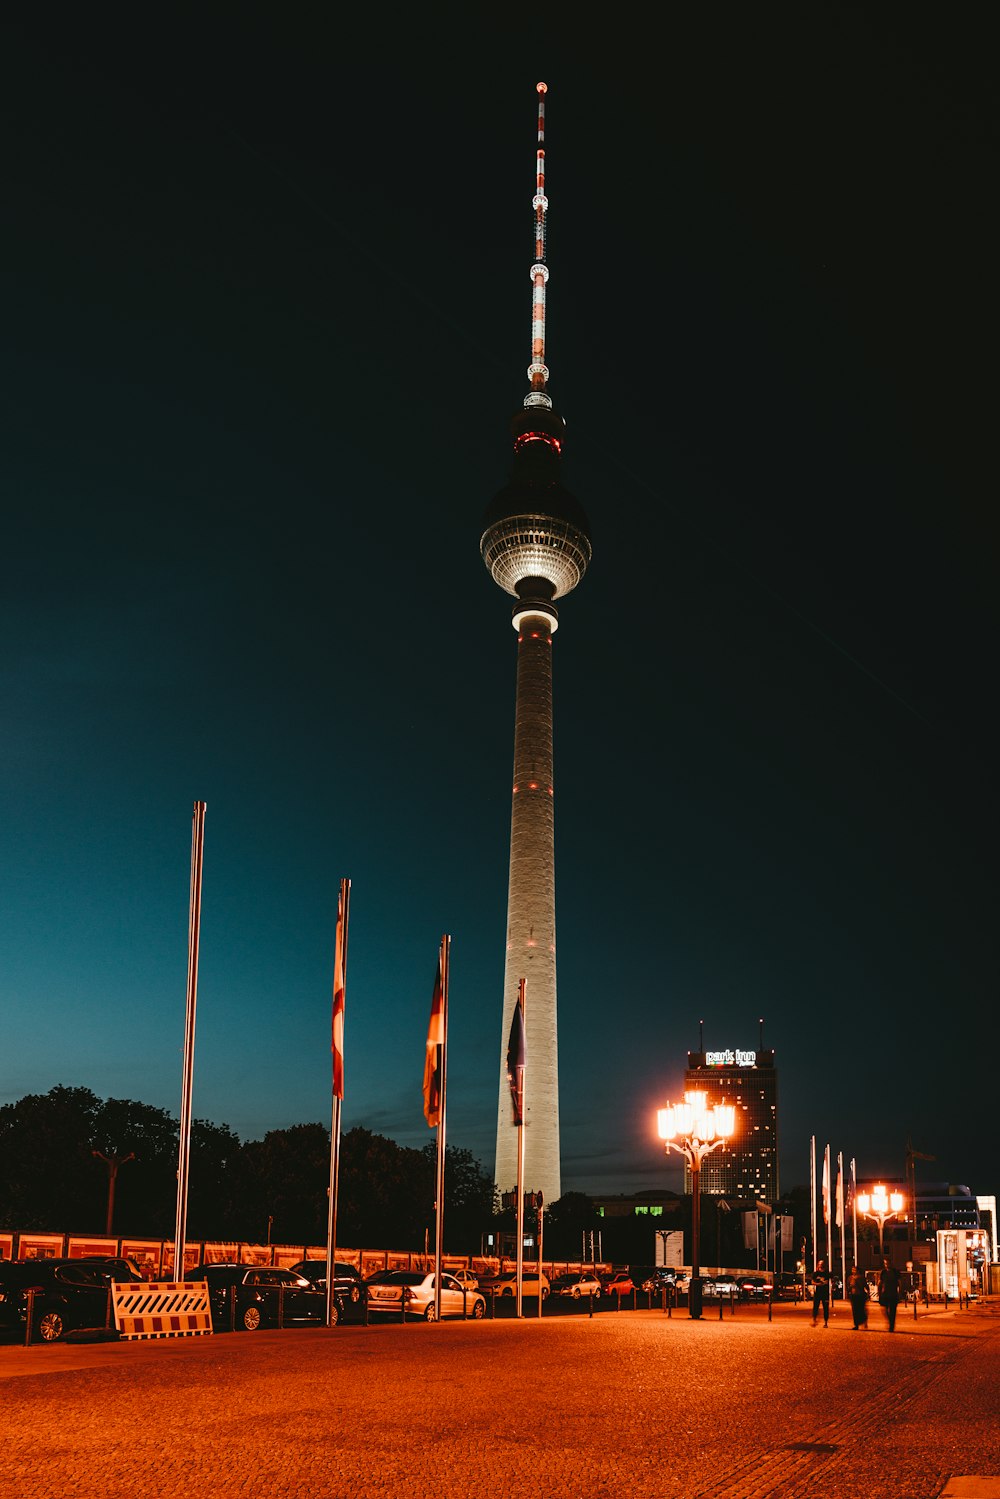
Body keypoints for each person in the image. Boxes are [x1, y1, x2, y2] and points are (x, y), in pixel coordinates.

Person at [878, 1257, 901, 1331]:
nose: (886, 1265)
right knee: (884, 1309)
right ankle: (890, 1321)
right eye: (885, 1263)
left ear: (891, 1263)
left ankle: (891, 1325)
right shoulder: (883, 1272)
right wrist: (879, 1292)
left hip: (893, 1293)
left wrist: (899, 1292)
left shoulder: (895, 1272)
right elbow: (880, 1282)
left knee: (893, 1310)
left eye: (888, 1263)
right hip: (885, 1293)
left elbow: (900, 1283)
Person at [847, 1263, 869, 1330]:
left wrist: (868, 1293)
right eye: (852, 1270)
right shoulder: (850, 1278)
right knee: (854, 1311)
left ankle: (864, 1321)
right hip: (853, 1296)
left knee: (861, 1310)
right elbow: (848, 1286)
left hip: (860, 1295)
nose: (853, 1271)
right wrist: (849, 1292)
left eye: (855, 1270)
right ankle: (856, 1324)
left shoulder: (861, 1277)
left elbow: (865, 1286)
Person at [811, 1259, 831, 1326]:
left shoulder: (827, 1273)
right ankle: (814, 1319)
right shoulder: (816, 1273)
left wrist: (828, 1283)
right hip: (818, 1292)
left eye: (822, 1264)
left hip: (825, 1292)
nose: (820, 1265)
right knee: (815, 1306)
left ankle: (826, 1322)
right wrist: (818, 1284)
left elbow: (832, 1279)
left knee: (825, 1307)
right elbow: (812, 1282)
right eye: (819, 1264)